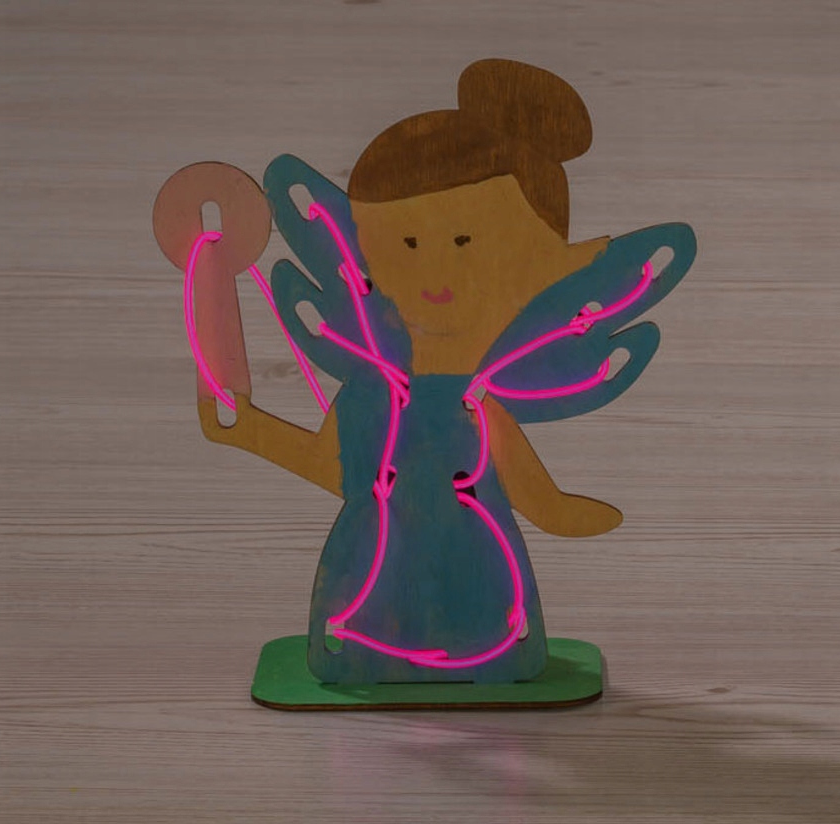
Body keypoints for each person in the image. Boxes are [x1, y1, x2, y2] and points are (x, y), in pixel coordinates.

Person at [159, 59, 695, 685]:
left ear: (545, 266)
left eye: (464, 242)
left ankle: (490, 655)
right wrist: (247, 429)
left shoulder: (480, 403)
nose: (436, 276)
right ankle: (372, 657)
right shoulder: (371, 394)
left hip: (480, 582)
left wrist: (560, 512)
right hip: (368, 593)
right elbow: (332, 469)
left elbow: (535, 495)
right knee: (370, 619)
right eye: (407, 245)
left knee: (487, 626)